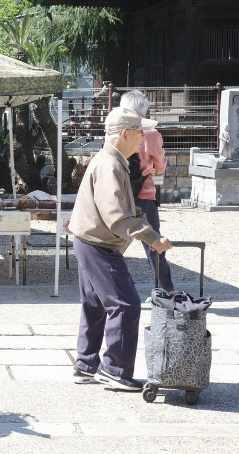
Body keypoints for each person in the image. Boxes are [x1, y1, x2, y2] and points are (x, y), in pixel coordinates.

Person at [69, 107, 173, 391]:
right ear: (125, 134)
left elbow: (120, 207)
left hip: (89, 239)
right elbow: (116, 215)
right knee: (126, 305)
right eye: (140, 132)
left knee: (96, 305)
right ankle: (114, 368)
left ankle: (86, 364)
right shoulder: (111, 165)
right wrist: (150, 236)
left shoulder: (112, 160)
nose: (143, 138)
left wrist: (140, 219)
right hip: (99, 244)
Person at [120, 90, 173, 292]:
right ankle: (167, 293)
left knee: (114, 245)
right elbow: (160, 165)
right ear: (145, 111)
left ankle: (113, 288)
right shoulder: (151, 134)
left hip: (120, 195)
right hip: (145, 195)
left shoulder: (116, 131)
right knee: (154, 245)